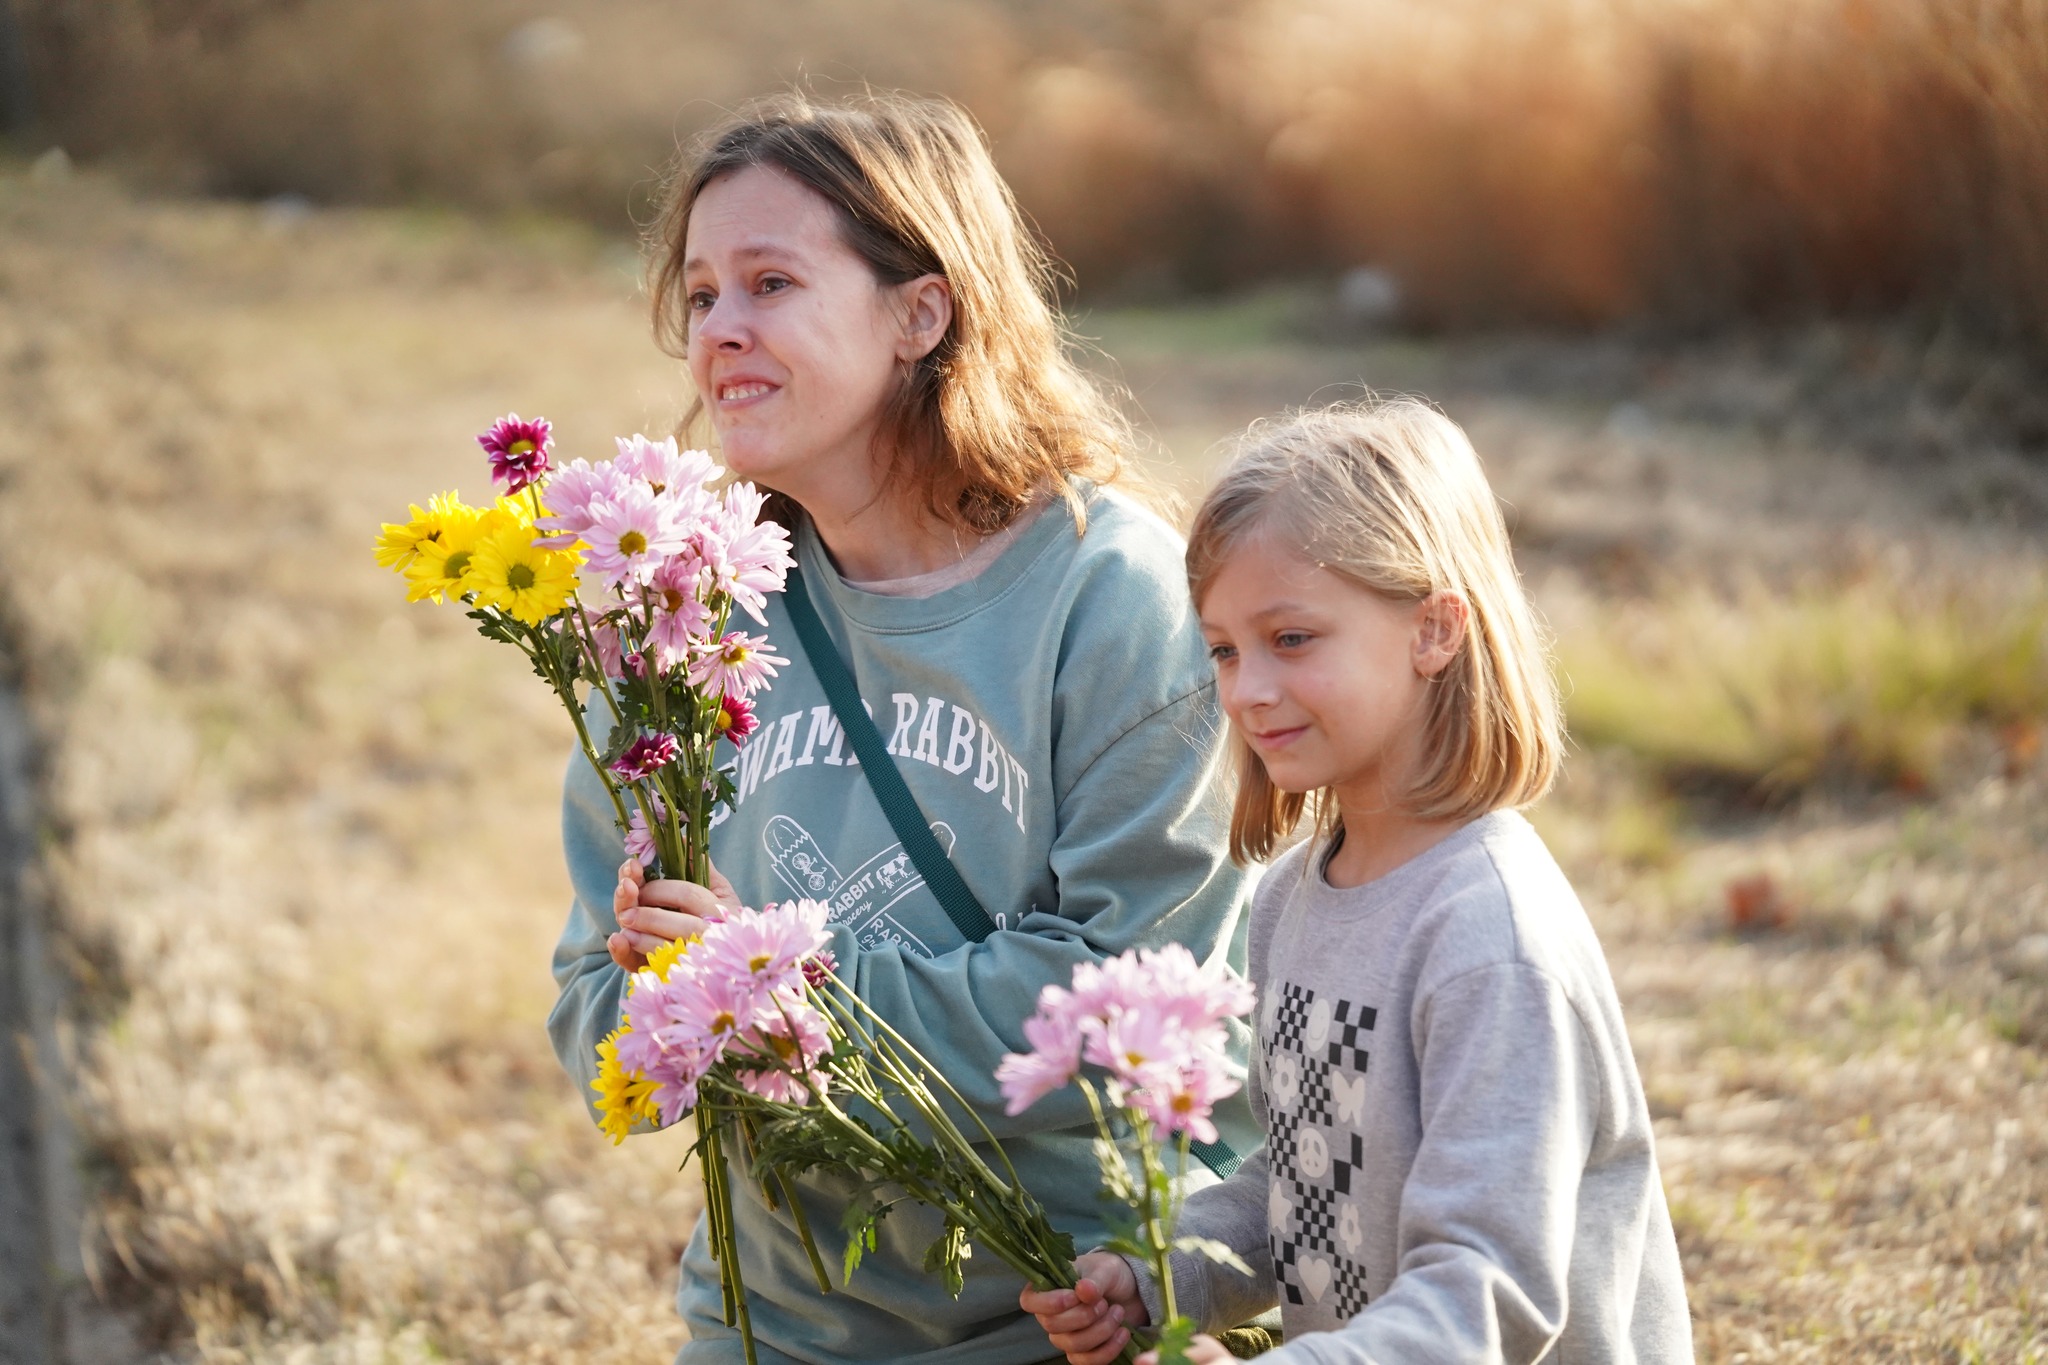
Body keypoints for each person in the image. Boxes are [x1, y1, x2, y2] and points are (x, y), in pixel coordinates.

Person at [546, 92, 1264, 1364]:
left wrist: (778, 994)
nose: (721, 332)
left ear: (919, 314)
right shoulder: (682, 619)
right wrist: (668, 1004)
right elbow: (587, 1004)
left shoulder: (1108, 598)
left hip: (1063, 1314)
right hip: (769, 1326)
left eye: (770, 281)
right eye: (701, 294)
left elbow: (1126, 1003)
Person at [1021, 400, 1694, 1365]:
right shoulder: (1295, 896)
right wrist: (1160, 1272)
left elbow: (1487, 1295)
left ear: (1433, 630)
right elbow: (1296, 1185)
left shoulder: (1489, 943)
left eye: (1291, 638)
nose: (1247, 687)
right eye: (1223, 648)